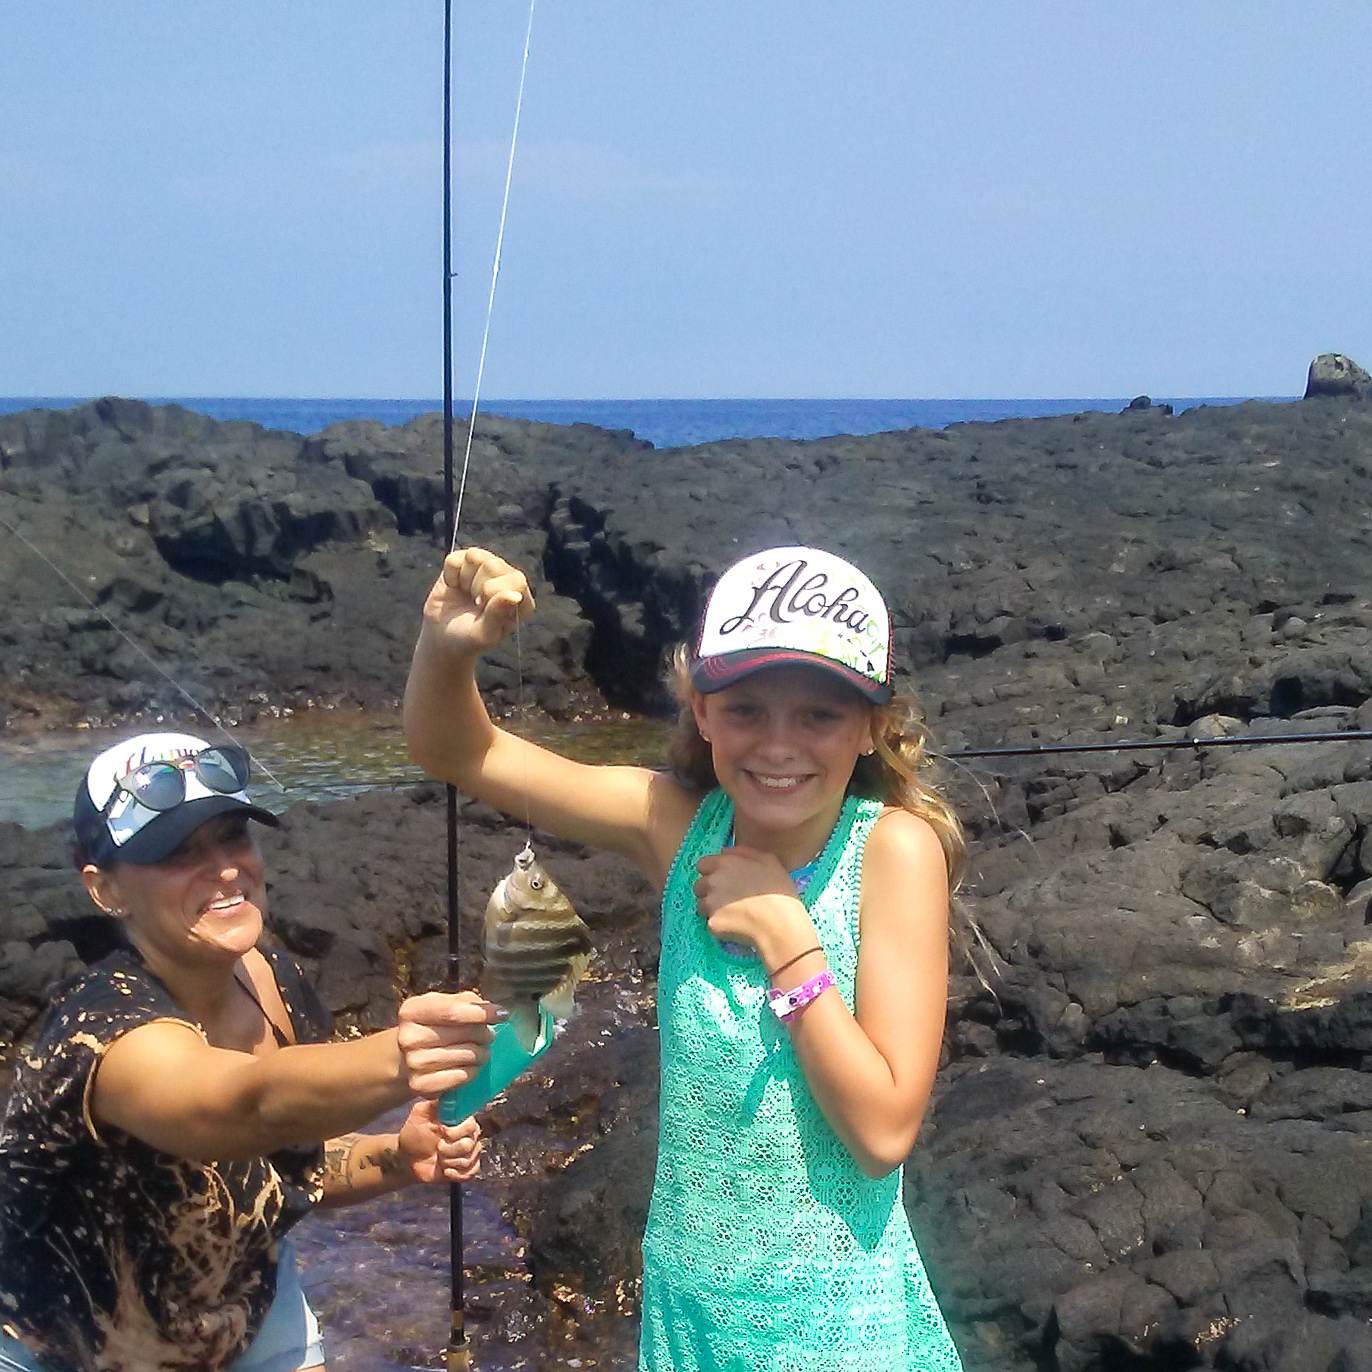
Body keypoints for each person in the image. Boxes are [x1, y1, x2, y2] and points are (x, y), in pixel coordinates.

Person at [404, 544, 966, 1370]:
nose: (779, 745)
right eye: (744, 710)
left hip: (836, 1320)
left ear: (873, 727)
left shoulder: (892, 852)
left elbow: (883, 1132)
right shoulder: (672, 823)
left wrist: (788, 939)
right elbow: (461, 752)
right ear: (700, 711)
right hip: (687, 1308)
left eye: (820, 715)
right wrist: (446, 647)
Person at [0, 731, 503, 1372]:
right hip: (71, 1348)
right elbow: (242, 1109)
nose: (226, 868)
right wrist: (403, 1059)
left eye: (233, 835)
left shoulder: (270, 976)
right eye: (177, 852)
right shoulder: (98, 1027)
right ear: (106, 889)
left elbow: (284, 1170)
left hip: (244, 1313)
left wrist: (398, 1157)